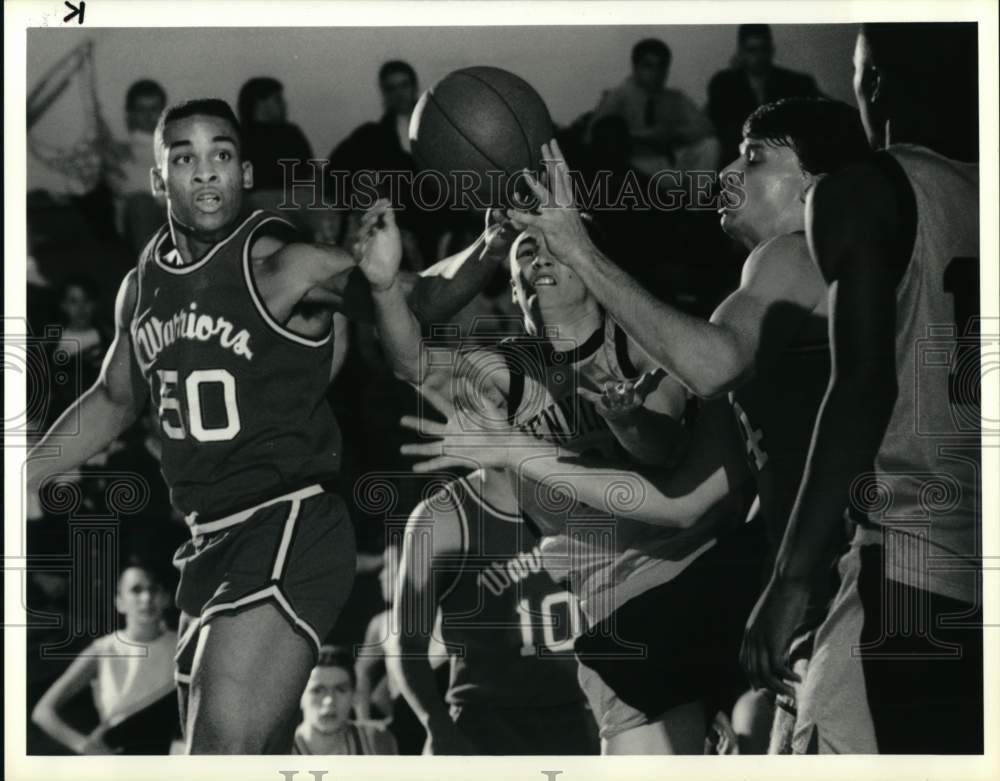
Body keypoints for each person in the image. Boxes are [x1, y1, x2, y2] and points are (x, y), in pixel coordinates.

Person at [25, 97, 511, 754]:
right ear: (157, 179)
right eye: (185, 157)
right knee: (259, 751)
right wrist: (26, 472)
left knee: (214, 752)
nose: (205, 173)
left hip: (286, 523)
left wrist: (492, 241)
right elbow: (114, 398)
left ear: (243, 172)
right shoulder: (140, 286)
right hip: (206, 542)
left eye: (221, 155)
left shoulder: (283, 266)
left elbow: (419, 294)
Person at [357, 200, 759, 754]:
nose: (539, 258)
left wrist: (626, 419)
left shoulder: (639, 343)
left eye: (553, 245)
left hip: (687, 578)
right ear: (514, 290)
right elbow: (411, 363)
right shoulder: (507, 372)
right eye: (526, 252)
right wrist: (382, 290)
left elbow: (663, 452)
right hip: (613, 608)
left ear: (590, 264)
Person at [741, 22, 982, 754]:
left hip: (916, 556)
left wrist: (790, 578)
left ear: (872, 78)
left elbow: (862, 387)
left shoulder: (866, 189)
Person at [390, 467, 599, 755]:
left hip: (586, 716)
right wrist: (436, 725)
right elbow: (407, 643)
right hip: (486, 721)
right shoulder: (442, 515)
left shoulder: (589, 491)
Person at [31, 563, 178, 755]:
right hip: (119, 755)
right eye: (136, 590)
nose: (147, 598)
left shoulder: (182, 645)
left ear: (166, 598)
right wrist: (85, 746)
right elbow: (43, 711)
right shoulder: (104, 649)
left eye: (154, 589)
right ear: (119, 602)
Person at [328, 60, 440, 265]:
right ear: (384, 93)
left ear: (414, 87)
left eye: (404, 86)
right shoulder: (373, 135)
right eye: (391, 88)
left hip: (443, 202)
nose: (399, 94)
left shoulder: (439, 124)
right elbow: (335, 168)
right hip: (403, 210)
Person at [590, 38, 718, 178]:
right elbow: (592, 136)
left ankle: (698, 199)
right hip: (635, 165)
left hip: (669, 161)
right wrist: (639, 135)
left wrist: (674, 133)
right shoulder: (618, 96)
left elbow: (706, 127)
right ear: (635, 67)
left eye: (661, 66)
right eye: (648, 66)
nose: (656, 73)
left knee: (710, 146)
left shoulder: (675, 98)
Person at [708, 25, 821, 166]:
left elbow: (820, 112)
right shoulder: (723, 84)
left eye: (763, 49)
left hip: (783, 155)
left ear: (771, 50)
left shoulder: (795, 83)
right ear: (741, 52)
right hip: (739, 156)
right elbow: (722, 126)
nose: (759, 56)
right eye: (752, 50)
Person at [293, 646, 398, 755]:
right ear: (299, 696)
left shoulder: (376, 741)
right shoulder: (280, 749)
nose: (329, 700)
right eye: (318, 690)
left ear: (354, 696)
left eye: (340, 690)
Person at [106, 80, 169, 254]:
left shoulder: (176, 146)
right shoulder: (119, 152)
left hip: (177, 219)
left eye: (154, 109)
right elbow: (128, 186)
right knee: (141, 202)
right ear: (131, 114)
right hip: (140, 222)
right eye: (142, 110)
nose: (149, 116)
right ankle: (149, 275)